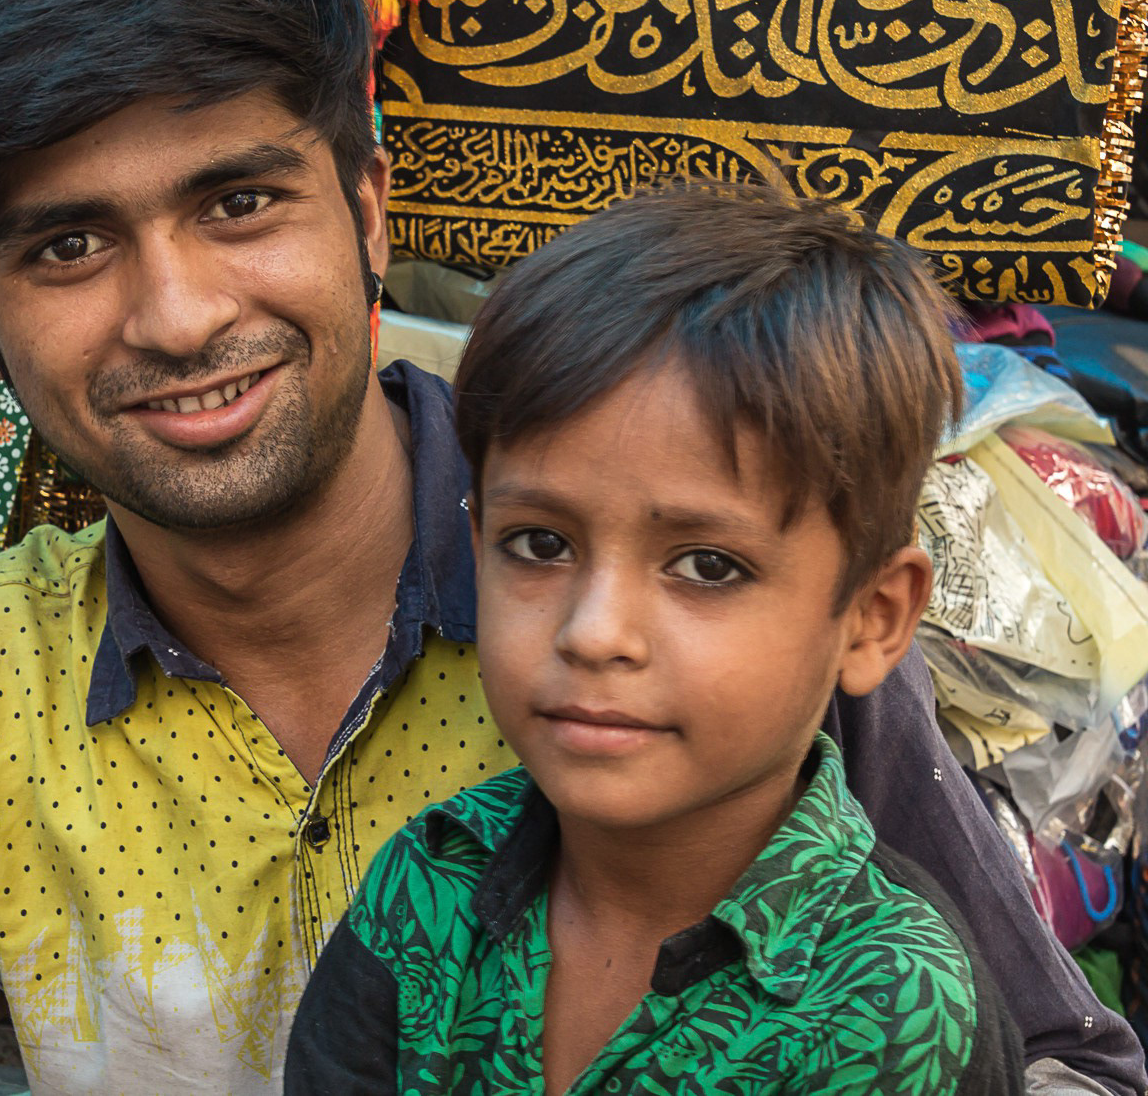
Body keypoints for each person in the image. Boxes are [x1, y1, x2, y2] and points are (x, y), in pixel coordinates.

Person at [0, 0, 1138, 1096]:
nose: (178, 313)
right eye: (69, 242)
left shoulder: (686, 617)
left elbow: (1061, 1061)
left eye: (239, 202)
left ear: (370, 209)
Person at [285, 188, 1023, 1094]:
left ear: (871, 618)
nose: (593, 632)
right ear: (475, 543)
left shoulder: (891, 1006)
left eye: (707, 566)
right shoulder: (429, 888)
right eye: (541, 544)